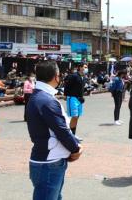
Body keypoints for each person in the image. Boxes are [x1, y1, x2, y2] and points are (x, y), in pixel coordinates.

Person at [26, 61, 82, 200]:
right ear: (56, 76)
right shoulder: (46, 100)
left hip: (48, 160)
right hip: (49, 163)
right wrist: (75, 148)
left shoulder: (39, 96)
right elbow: (62, 130)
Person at [64, 64, 87, 139]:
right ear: (80, 67)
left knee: (77, 117)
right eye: (85, 67)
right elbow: (67, 85)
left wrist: (82, 97)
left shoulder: (83, 77)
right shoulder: (74, 76)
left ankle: (73, 134)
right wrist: (65, 94)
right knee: (74, 116)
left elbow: (81, 89)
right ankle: (70, 135)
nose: (86, 69)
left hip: (79, 99)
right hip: (72, 98)